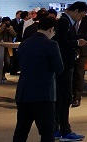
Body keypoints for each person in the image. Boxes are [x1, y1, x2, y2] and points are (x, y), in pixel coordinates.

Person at [13, 14, 63, 142]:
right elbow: (59, 68)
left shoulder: (24, 43)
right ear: (51, 29)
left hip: (24, 92)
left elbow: (18, 64)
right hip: (44, 94)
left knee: (21, 130)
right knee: (47, 132)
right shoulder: (52, 44)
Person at [53, 1, 87, 141]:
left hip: (65, 64)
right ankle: (64, 131)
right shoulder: (64, 22)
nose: (81, 18)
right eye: (81, 15)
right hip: (64, 65)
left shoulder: (66, 21)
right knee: (65, 97)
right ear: (76, 11)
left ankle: (57, 129)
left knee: (62, 97)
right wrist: (77, 43)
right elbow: (61, 42)